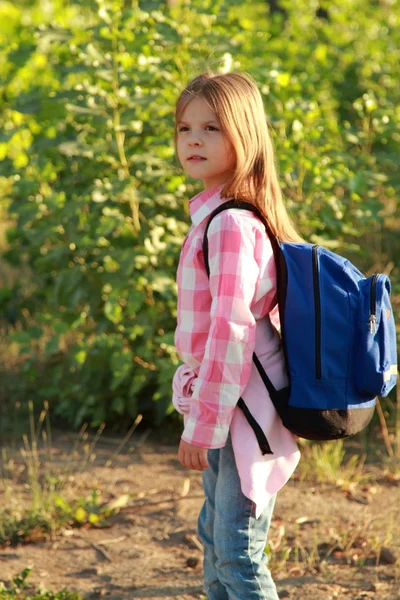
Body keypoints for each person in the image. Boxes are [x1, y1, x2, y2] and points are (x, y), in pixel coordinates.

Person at [172, 71, 301, 600]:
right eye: (184, 128)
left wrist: (203, 425)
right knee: (216, 537)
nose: (193, 140)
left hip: (242, 408)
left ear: (245, 136)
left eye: (212, 127)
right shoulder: (217, 217)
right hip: (230, 401)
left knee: (237, 550)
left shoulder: (229, 224)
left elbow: (231, 330)